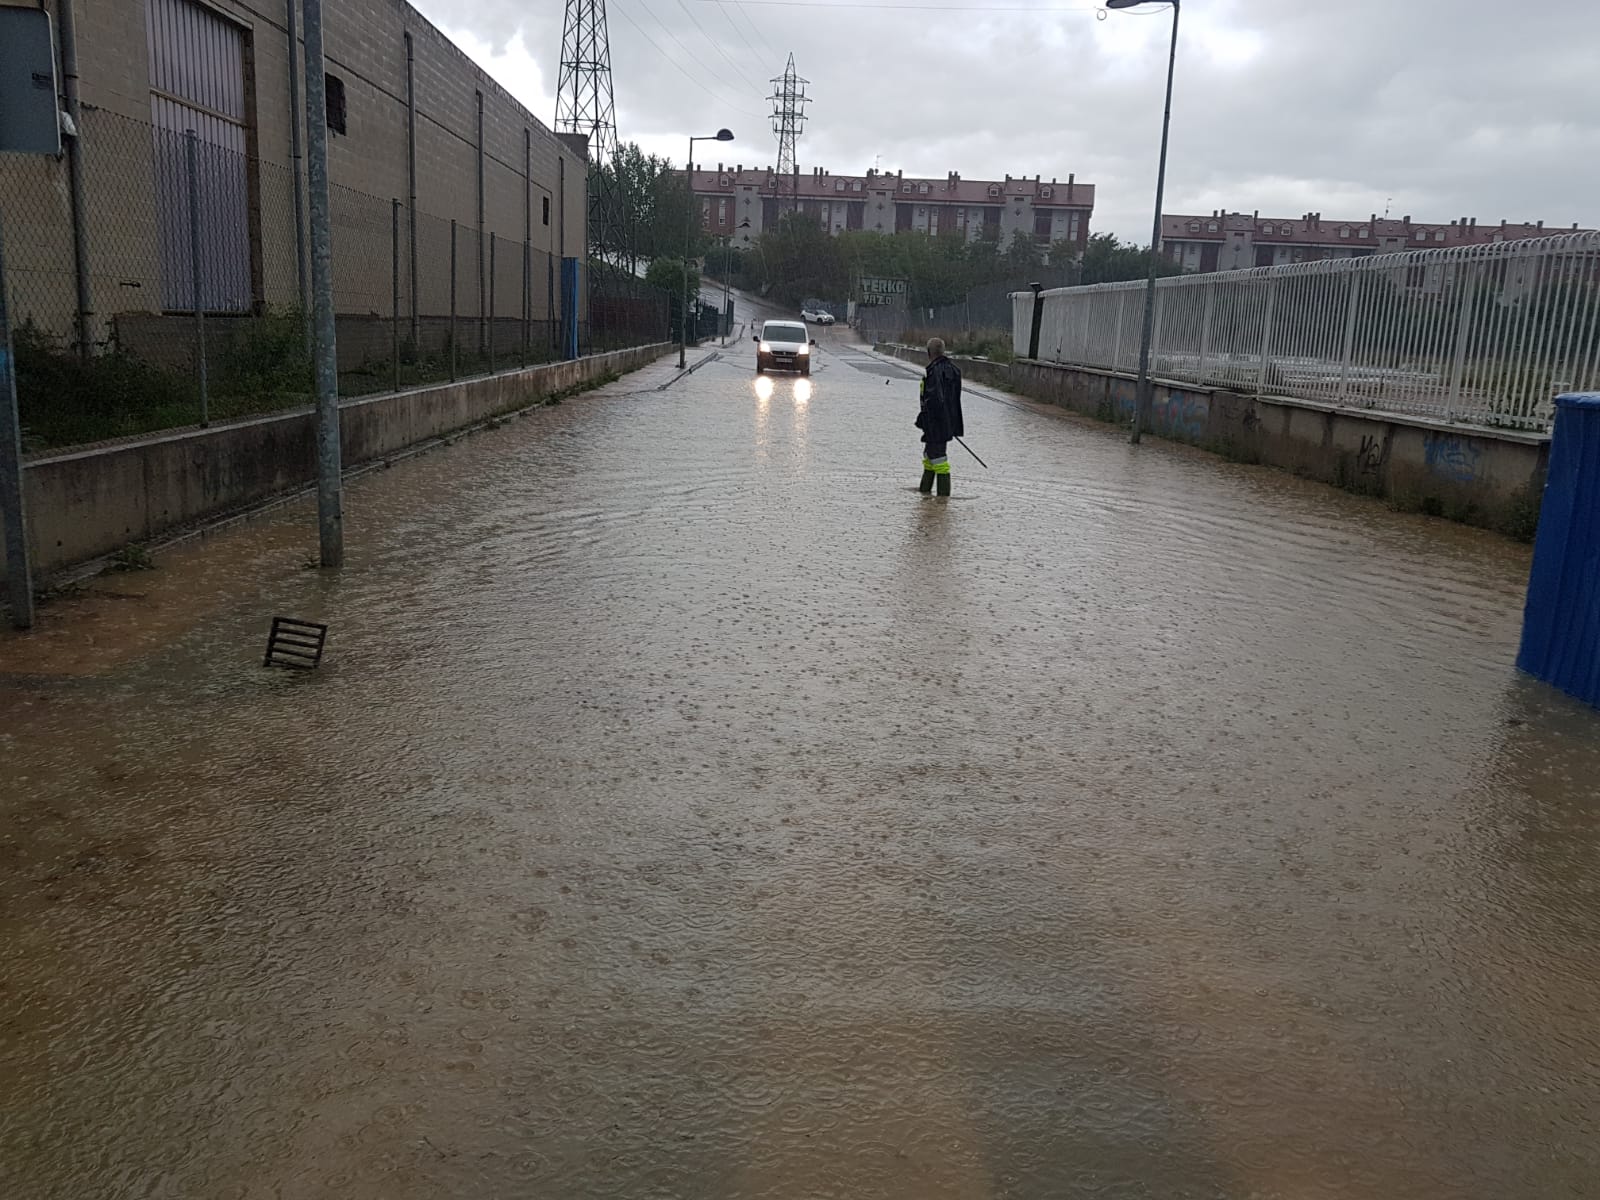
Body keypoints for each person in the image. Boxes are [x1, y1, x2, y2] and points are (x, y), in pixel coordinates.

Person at [916, 337, 964, 496]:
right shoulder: (954, 370)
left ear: (929, 353)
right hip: (949, 422)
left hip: (935, 423)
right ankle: (925, 494)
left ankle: (942, 501)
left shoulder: (934, 372)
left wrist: (925, 420)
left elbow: (935, 400)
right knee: (930, 456)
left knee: (938, 458)